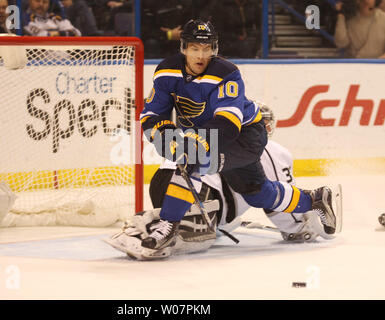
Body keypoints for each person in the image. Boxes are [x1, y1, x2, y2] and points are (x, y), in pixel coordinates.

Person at [138, 19, 338, 260]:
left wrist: (193, 144)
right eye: (195, 48)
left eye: (207, 48)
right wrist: (164, 138)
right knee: (256, 193)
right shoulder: (166, 71)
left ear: (215, 49)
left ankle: (168, 226)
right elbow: (152, 114)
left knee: (195, 162)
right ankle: (315, 199)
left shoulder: (227, 73)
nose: (201, 55)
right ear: (183, 48)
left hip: (245, 136)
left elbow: (227, 125)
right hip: (213, 136)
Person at [106, 103, 337, 260]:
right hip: (204, 193)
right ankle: (149, 228)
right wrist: (300, 229)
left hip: (165, 178)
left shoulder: (218, 131)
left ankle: (159, 222)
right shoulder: (272, 149)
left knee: (192, 218)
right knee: (207, 230)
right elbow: (280, 210)